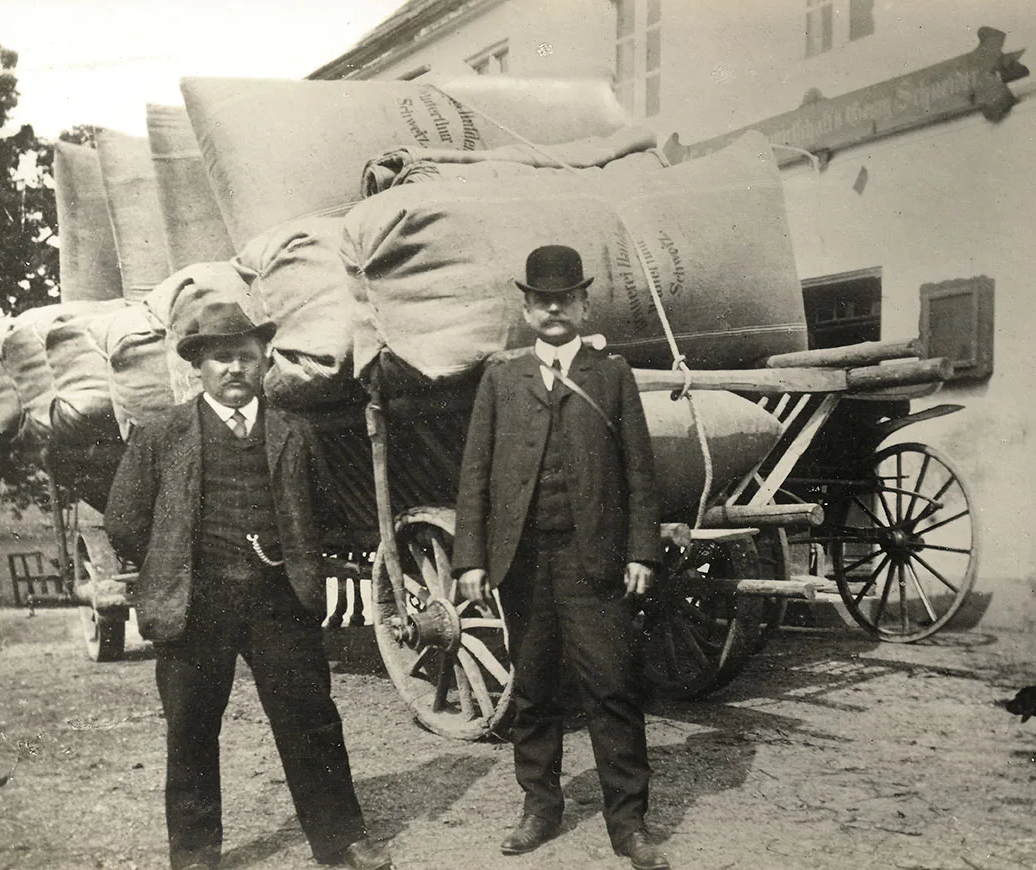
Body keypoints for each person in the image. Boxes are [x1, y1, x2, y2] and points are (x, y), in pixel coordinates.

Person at [104, 302, 392, 870]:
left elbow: (324, 509)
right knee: (190, 729)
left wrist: (293, 559)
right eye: (221, 358)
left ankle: (341, 840)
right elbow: (125, 521)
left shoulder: (294, 432)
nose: (234, 368)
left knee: (310, 718)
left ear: (264, 362)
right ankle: (193, 854)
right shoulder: (163, 434)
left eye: (246, 356)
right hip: (194, 605)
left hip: (278, 602)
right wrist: (172, 563)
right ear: (199, 367)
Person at [453, 245, 671, 870]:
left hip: (592, 558)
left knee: (612, 688)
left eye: (566, 298)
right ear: (526, 310)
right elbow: (475, 476)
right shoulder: (501, 378)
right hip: (522, 561)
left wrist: (641, 552)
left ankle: (628, 825)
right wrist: (471, 557)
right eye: (541, 300)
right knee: (535, 688)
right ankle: (539, 808)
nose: (553, 308)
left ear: (582, 305)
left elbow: (640, 473)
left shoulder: (612, 375)